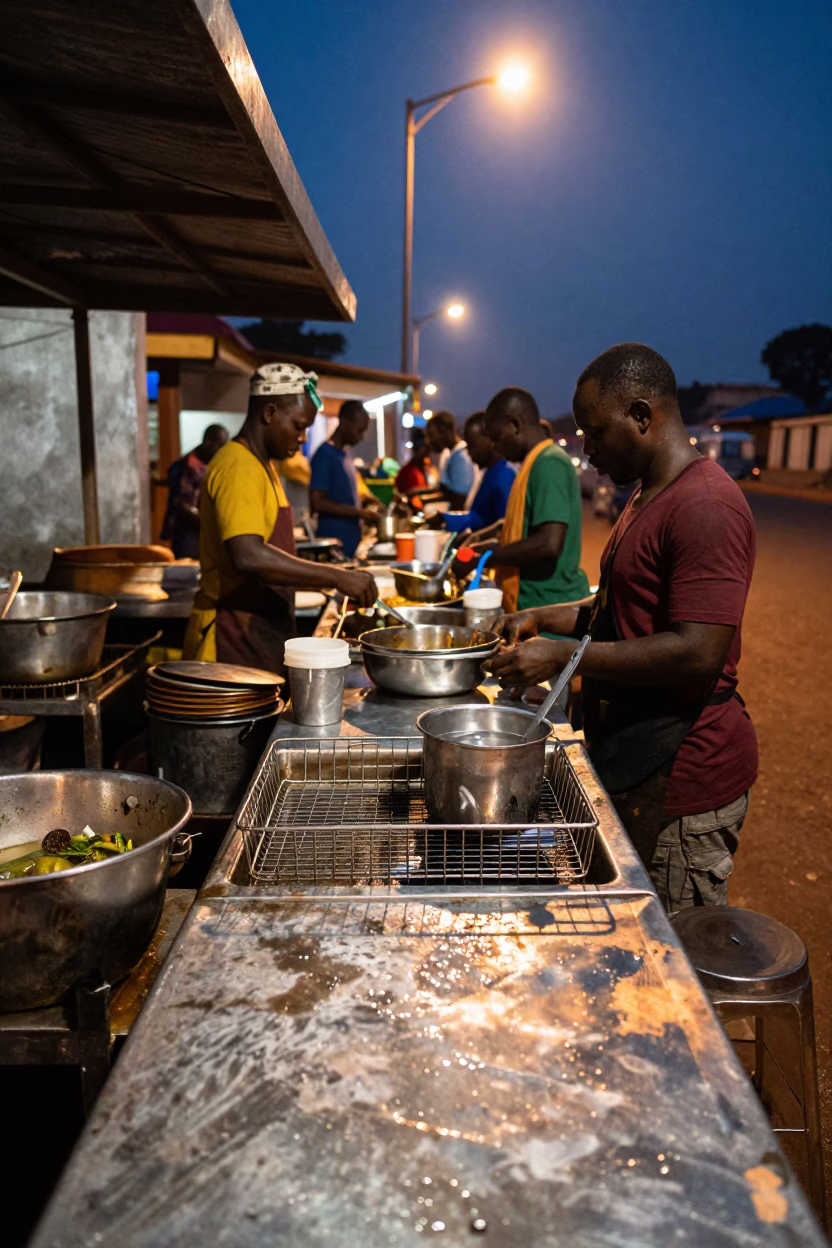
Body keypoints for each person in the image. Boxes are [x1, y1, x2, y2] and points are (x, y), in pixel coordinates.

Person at [490, 343, 758, 915]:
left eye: (594, 433)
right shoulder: (646, 495)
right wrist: (545, 617)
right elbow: (619, 607)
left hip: (684, 772)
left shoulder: (707, 505)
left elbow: (697, 652)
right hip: (635, 751)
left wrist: (566, 657)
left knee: (669, 955)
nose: (586, 453)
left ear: (642, 415)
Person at [183, 364, 376, 674]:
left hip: (257, 633)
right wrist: (336, 576)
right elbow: (247, 554)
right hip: (229, 641)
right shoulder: (238, 467)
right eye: (298, 426)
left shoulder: (264, 466)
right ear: (270, 412)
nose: (302, 438)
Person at [465, 387, 588, 616]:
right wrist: (481, 542)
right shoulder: (531, 464)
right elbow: (523, 525)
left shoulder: (549, 463)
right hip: (533, 606)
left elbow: (548, 543)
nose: (494, 446)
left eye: (497, 437)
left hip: (549, 608)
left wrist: (485, 557)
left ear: (515, 425)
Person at [310, 399, 380, 558]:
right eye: (359, 430)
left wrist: (369, 502)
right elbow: (317, 502)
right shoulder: (324, 455)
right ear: (344, 421)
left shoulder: (346, 454)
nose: (361, 437)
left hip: (350, 543)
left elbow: (346, 494)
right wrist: (360, 513)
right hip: (334, 545)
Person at [161, 424, 228, 558]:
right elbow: (180, 505)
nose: (222, 451)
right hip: (188, 533)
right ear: (207, 442)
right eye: (219, 445)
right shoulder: (184, 468)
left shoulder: (219, 468)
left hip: (211, 533)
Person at [442, 412, 516, 533]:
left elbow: (503, 529)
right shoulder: (490, 472)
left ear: (490, 441)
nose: (468, 452)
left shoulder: (503, 478)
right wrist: (446, 519)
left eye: (472, 445)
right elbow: (482, 517)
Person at [425, 411, 475, 510]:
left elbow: (459, 500)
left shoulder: (461, 457)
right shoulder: (450, 453)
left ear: (445, 432)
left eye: (432, 435)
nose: (428, 441)